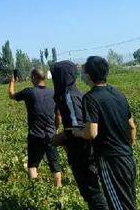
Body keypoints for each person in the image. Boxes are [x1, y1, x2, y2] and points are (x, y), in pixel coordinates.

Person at [73, 56, 137, 210]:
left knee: (117, 205)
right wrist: (127, 147)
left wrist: (78, 132)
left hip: (109, 160)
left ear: (88, 76)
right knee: (128, 202)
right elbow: (132, 126)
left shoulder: (90, 98)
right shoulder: (119, 94)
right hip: (127, 157)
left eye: (83, 72)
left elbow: (91, 133)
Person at [51, 60, 108, 209]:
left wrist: (58, 139)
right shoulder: (68, 94)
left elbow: (78, 127)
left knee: (92, 192)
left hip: (83, 152)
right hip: (79, 150)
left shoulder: (69, 96)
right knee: (89, 191)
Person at [8, 67, 62, 187]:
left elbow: (11, 95)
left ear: (34, 78)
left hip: (35, 135)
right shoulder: (53, 93)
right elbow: (58, 116)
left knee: (32, 165)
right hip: (51, 134)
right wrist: (56, 129)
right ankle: (59, 189)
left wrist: (12, 81)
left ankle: (35, 189)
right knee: (55, 165)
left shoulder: (29, 92)